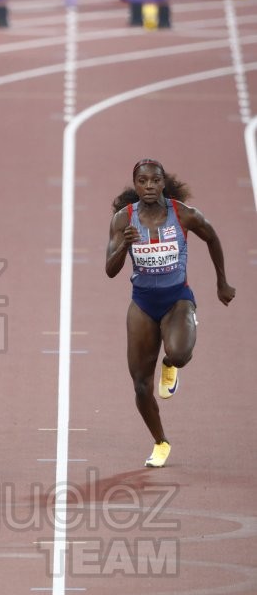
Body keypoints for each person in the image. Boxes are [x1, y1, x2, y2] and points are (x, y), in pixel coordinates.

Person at [105, 158, 235, 468]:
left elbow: (212, 237)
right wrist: (124, 246)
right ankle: (161, 442)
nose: (149, 186)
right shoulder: (123, 220)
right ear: (135, 185)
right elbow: (110, 270)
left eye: (154, 180)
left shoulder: (184, 214)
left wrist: (222, 282)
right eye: (142, 181)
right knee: (140, 385)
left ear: (164, 183)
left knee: (179, 354)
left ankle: (169, 364)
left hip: (177, 298)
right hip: (142, 303)